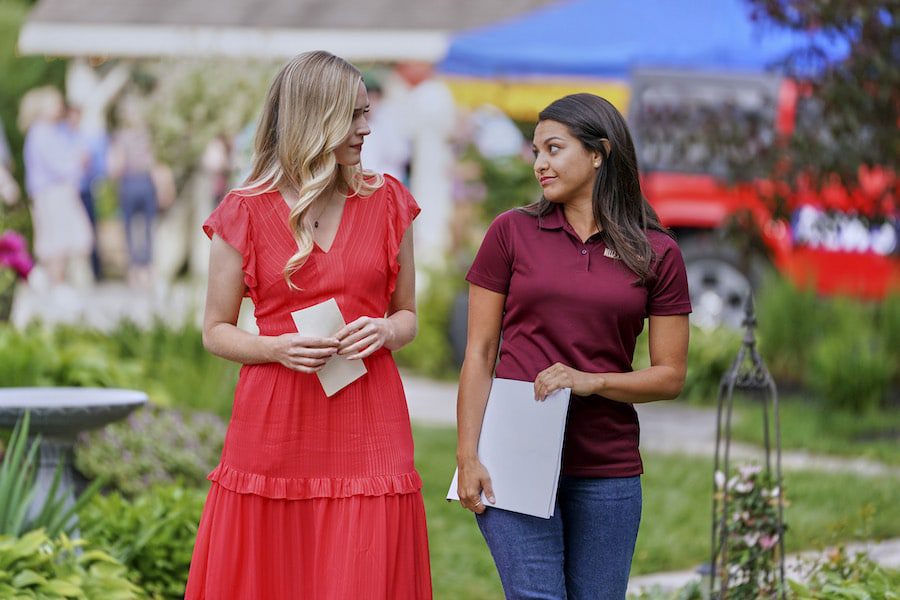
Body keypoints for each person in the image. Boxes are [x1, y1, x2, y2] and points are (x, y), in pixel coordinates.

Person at [185, 51, 432, 599]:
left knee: (364, 569)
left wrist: (387, 332)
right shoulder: (243, 211)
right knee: (276, 574)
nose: (367, 128)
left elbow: (408, 314)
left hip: (369, 417)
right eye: (353, 116)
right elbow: (215, 330)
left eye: (368, 113)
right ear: (312, 118)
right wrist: (276, 348)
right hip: (276, 424)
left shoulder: (389, 200)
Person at [455, 93, 692, 599]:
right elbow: (479, 353)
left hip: (606, 469)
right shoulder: (511, 232)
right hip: (511, 458)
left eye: (554, 149)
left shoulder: (658, 252)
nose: (539, 163)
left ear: (599, 153)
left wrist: (594, 381)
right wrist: (467, 454)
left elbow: (670, 375)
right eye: (536, 150)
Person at [18, 87, 93, 288]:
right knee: (57, 243)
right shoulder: (41, 134)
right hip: (52, 195)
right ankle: (54, 286)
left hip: (56, 194)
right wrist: (78, 161)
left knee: (62, 243)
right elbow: (60, 165)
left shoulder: (52, 132)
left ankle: (57, 285)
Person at [108, 96, 158, 289]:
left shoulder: (121, 137)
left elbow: (116, 166)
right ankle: (145, 270)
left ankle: (137, 271)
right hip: (142, 181)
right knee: (146, 228)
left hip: (131, 182)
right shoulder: (145, 135)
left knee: (132, 229)